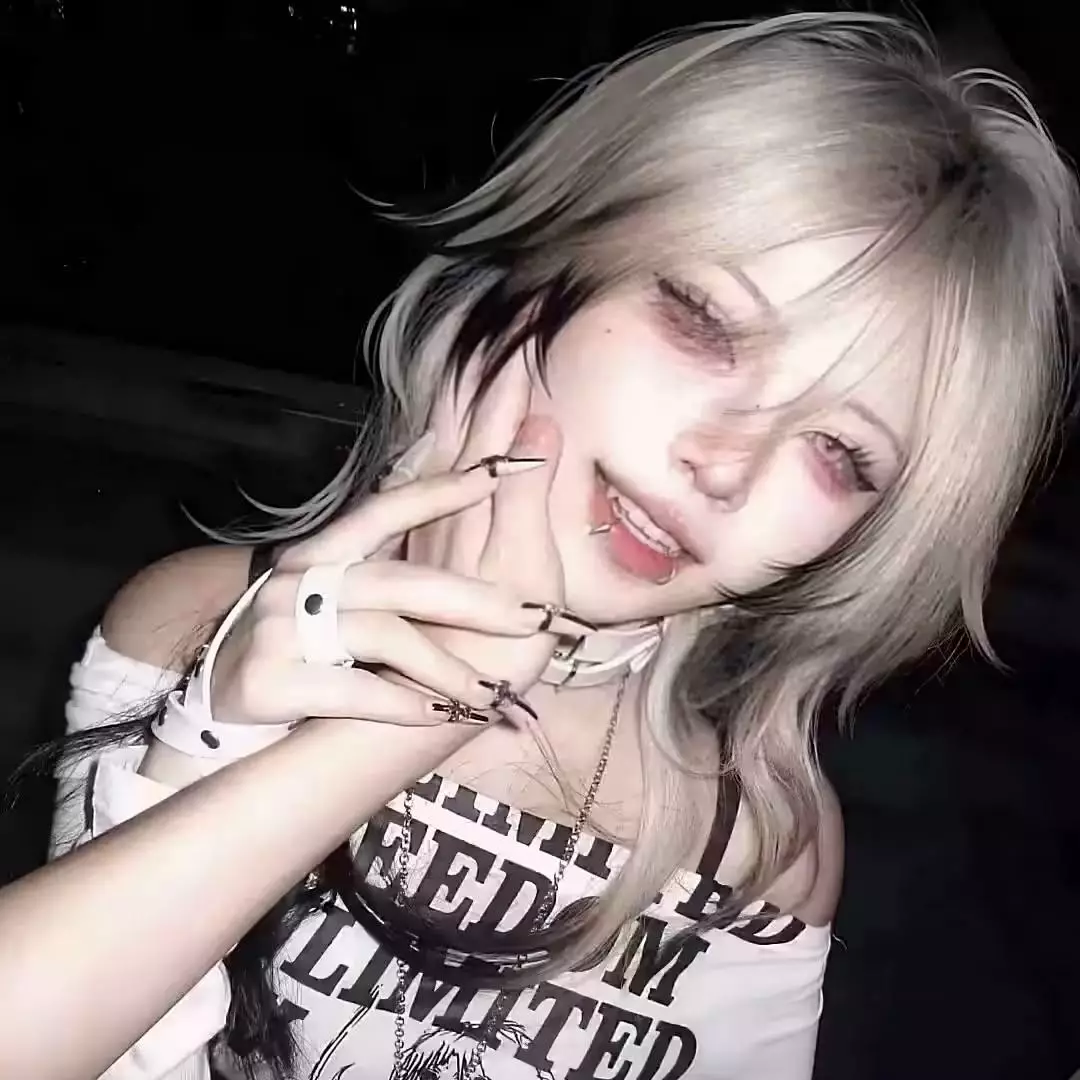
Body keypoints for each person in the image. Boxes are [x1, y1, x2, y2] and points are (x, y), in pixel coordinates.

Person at [1, 10, 1075, 1080]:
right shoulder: (194, 626)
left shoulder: (763, 839)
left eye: (838, 452)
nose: (726, 464)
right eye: (707, 323)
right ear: (558, 265)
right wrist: (272, 747)